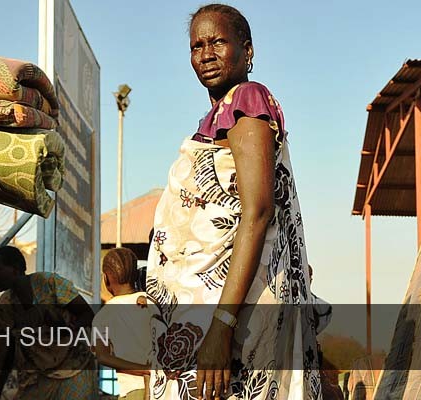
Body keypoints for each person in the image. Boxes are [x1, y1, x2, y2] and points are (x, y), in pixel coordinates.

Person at [145, 4, 323, 399]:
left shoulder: (247, 101)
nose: (205, 54)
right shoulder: (220, 116)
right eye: (196, 46)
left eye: (217, 42)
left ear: (248, 50)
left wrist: (222, 326)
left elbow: (257, 213)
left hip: (223, 321)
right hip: (202, 320)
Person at [0, 246, 96, 400]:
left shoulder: (49, 283)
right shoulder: (5, 306)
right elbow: (6, 352)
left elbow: (87, 314)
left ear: (16, 268)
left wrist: (69, 329)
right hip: (39, 374)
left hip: (75, 367)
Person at [92, 248, 152, 400]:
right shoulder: (151, 302)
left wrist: (144, 370)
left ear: (105, 279)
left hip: (132, 391)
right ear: (137, 275)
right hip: (163, 387)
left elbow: (102, 356)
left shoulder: (103, 316)